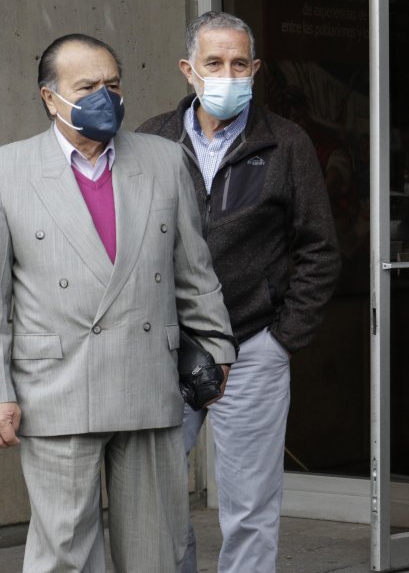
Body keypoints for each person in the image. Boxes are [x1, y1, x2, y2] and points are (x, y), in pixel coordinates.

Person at [0, 33, 237, 571]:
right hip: (55, 388)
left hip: (147, 379)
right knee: (64, 554)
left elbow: (193, 270)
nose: (104, 97)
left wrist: (218, 347)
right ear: (50, 98)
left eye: (112, 84)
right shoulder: (9, 170)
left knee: (156, 551)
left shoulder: (163, 160)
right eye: (87, 88)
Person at [138, 11, 341, 573]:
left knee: (249, 509)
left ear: (255, 69)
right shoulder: (151, 139)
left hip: (252, 345)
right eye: (213, 63)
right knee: (156, 500)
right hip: (166, 348)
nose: (227, 74)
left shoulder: (286, 142)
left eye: (238, 63)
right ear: (188, 69)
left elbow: (320, 250)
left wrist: (282, 339)